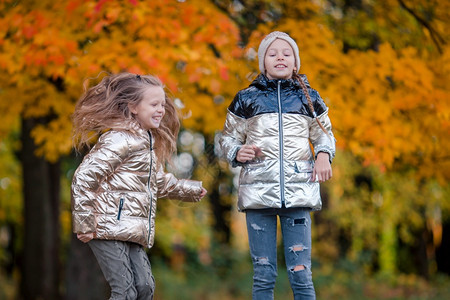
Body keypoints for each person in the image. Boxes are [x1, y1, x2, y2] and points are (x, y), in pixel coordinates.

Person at [220, 31, 336, 299]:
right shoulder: (246, 98)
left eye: (286, 53)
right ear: (263, 62)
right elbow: (227, 138)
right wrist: (238, 151)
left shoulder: (310, 98)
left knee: (301, 273)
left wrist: (322, 155)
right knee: (264, 274)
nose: (279, 57)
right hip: (258, 195)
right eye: (272, 54)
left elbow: (324, 134)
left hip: (298, 193)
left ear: (295, 63)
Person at [71, 72, 207, 300]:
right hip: (106, 226)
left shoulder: (147, 144)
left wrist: (190, 189)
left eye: (162, 105)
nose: (161, 110)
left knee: (144, 288)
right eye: (154, 104)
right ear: (133, 107)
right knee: (124, 291)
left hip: (132, 228)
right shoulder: (119, 139)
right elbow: (84, 177)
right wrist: (85, 222)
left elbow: (158, 182)